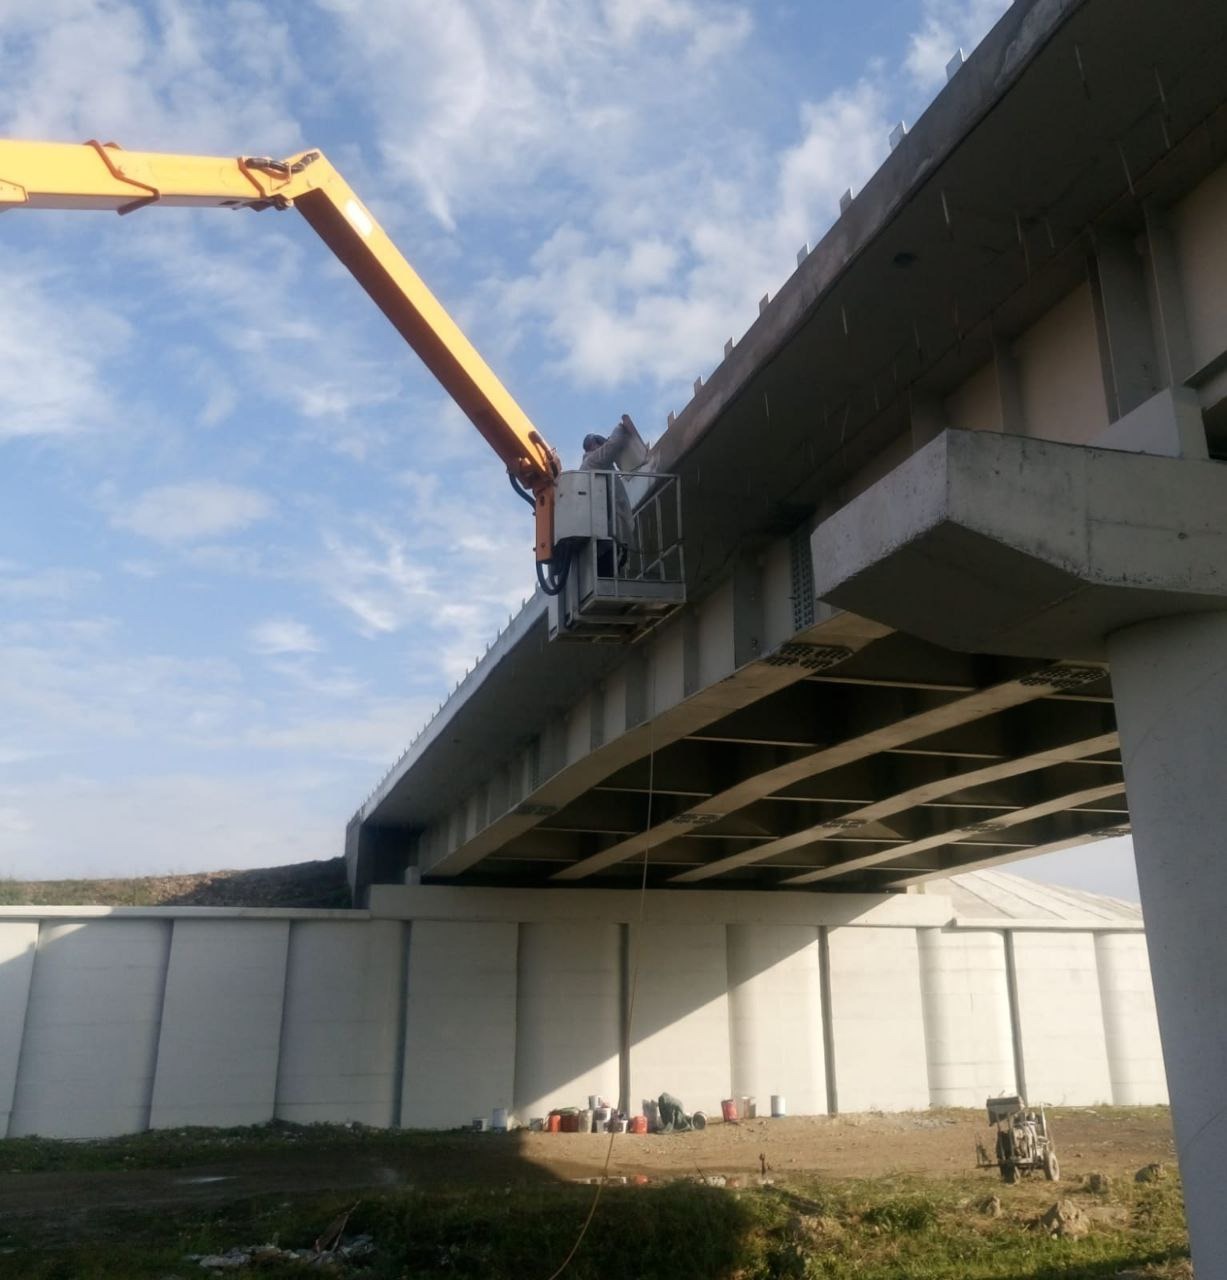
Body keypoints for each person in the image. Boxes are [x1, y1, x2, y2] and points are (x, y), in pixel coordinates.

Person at [579, 414, 639, 577]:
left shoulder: (594, 466)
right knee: (608, 571)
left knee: (612, 568)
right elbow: (613, 445)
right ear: (593, 445)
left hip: (607, 534)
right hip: (605, 536)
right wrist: (621, 428)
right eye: (601, 444)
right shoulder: (593, 460)